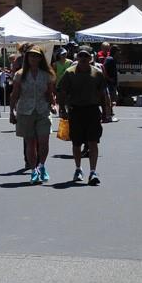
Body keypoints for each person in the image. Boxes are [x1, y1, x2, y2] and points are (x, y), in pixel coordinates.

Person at [58, 49, 111, 184]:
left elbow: (103, 94)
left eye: (86, 56)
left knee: (93, 141)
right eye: (80, 56)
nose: (83, 58)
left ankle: (93, 171)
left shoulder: (97, 73)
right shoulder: (70, 73)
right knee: (76, 143)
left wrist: (105, 112)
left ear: (90, 59)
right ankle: (78, 168)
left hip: (92, 110)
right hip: (75, 111)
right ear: (77, 58)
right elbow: (62, 91)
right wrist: (62, 109)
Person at [10, 45, 56, 184]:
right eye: (31, 56)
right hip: (25, 110)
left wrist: (54, 105)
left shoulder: (46, 74)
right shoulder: (20, 74)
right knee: (30, 143)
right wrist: (12, 111)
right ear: (27, 58)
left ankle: (41, 165)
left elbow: (50, 93)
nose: (33, 58)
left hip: (42, 109)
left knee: (43, 141)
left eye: (36, 56)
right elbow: (15, 94)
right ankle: (33, 170)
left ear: (40, 58)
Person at [100, 43, 119, 118]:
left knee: (113, 98)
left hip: (112, 83)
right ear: (115, 51)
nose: (119, 53)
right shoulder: (109, 59)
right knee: (110, 98)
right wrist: (108, 78)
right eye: (118, 51)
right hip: (109, 83)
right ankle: (108, 113)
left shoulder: (112, 59)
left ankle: (109, 112)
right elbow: (103, 68)